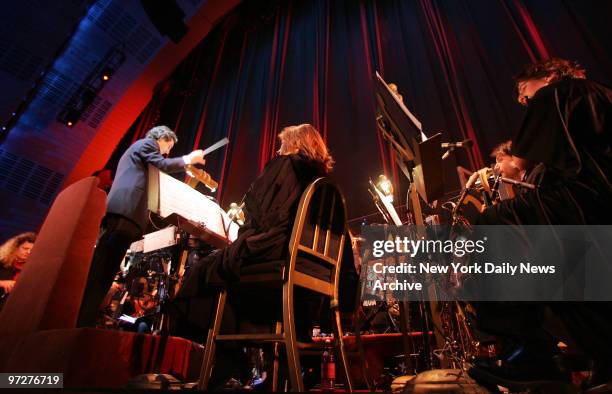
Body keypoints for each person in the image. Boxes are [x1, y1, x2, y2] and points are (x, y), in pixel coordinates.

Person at [170, 124, 355, 388]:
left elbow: (263, 217)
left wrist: (243, 237)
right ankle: (257, 369)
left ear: (293, 145)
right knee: (227, 271)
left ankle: (227, 361)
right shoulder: (326, 185)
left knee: (209, 270)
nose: (278, 150)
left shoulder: (285, 165)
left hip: (279, 262)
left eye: (282, 144)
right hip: (316, 279)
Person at [470, 58, 612, 389]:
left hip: (584, 203)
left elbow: (520, 161)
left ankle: (532, 354)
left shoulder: (557, 93)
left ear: (546, 77)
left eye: (523, 91)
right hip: (599, 203)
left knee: (493, 223)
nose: (523, 101)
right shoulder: (601, 92)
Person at [77, 125, 206, 327]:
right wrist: (188, 159)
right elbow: (161, 164)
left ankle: (83, 317)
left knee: (104, 270)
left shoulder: (140, 151)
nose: (167, 151)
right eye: (168, 145)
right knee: (102, 271)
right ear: (161, 138)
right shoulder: (146, 144)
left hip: (126, 213)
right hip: (125, 212)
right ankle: (80, 320)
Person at [0, 232, 36, 309]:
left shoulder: (32, 270)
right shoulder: (2, 262)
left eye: (32, 250)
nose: (28, 252)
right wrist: (2, 283)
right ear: (15, 248)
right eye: (25, 248)